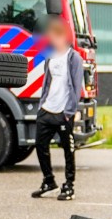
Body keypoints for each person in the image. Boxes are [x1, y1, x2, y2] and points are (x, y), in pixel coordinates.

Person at [32, 19, 83, 202]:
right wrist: (41, 106)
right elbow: (47, 83)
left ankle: (69, 185)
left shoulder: (74, 57)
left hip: (63, 113)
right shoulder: (50, 57)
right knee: (40, 146)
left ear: (62, 36)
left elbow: (76, 87)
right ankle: (49, 181)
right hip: (47, 110)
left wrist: (69, 111)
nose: (51, 39)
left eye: (53, 36)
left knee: (68, 150)